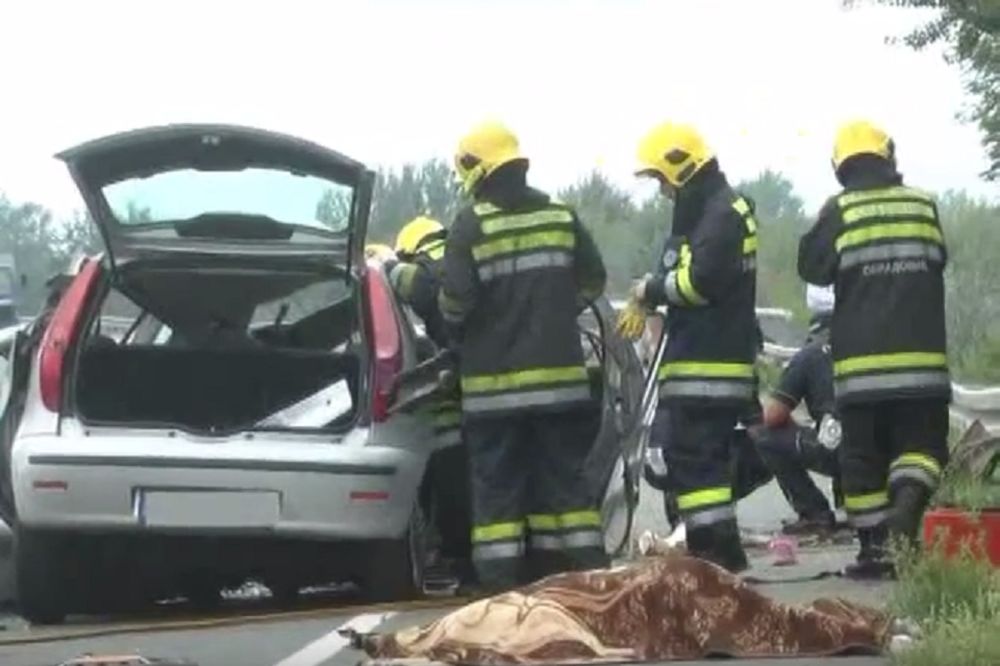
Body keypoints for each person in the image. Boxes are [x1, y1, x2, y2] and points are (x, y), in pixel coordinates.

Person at [438, 120, 609, 592]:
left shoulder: (472, 225)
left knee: (498, 495)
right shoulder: (560, 215)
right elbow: (594, 280)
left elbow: (456, 304)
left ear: (476, 169)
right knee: (565, 485)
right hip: (561, 386)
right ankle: (588, 578)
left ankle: (499, 588)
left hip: (494, 393)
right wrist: (555, 311)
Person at [798, 119, 951, 579]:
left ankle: (874, 551)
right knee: (922, 450)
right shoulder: (924, 206)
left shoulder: (840, 211)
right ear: (889, 157)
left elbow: (811, 268)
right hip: (923, 370)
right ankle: (906, 509)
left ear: (839, 166)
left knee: (861, 462)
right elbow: (939, 259)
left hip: (861, 374)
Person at [621, 122, 758, 572]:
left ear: (682, 169)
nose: (661, 189)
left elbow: (701, 283)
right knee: (701, 464)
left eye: (661, 178)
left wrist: (652, 290)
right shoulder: (710, 209)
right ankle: (714, 553)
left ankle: (716, 555)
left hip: (707, 366)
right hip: (707, 362)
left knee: (696, 463)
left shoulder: (720, 213)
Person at [380, 220, 473, 586]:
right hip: (486, 374)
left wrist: (386, 265)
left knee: (455, 472)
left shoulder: (423, 267)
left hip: (471, 379)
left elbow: (410, 283)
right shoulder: (462, 253)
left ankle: (458, 557)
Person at [754, 284, 842, 535]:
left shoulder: (809, 356)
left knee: (767, 437)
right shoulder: (867, 350)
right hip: (880, 449)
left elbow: (772, 416)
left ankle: (814, 513)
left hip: (836, 448)